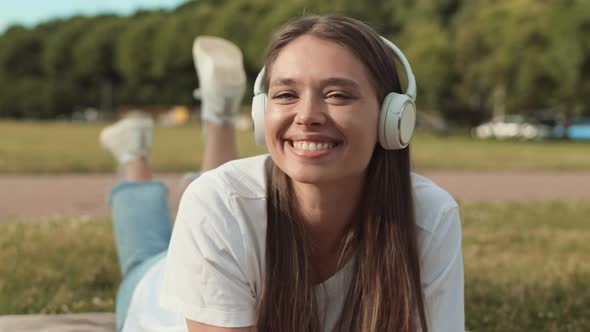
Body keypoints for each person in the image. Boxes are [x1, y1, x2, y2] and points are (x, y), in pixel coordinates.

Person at [104, 14, 464, 332]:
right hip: (153, 299)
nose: (307, 115)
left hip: (221, 236)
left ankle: (206, 121)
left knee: (216, 198)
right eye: (286, 95)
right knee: (148, 253)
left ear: (393, 118)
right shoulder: (217, 201)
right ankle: (135, 157)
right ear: (263, 114)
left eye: (338, 95)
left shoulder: (429, 217)